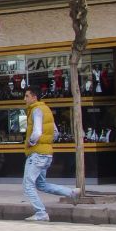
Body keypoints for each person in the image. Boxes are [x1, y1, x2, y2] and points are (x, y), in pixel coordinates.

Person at [22, 88, 82, 222]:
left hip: (36, 154)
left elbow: (37, 132)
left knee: (28, 184)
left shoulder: (36, 110)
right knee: (41, 184)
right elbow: (55, 133)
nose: (24, 99)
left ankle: (40, 213)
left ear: (34, 97)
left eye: (27, 96)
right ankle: (70, 193)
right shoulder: (46, 109)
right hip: (47, 154)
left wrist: (30, 142)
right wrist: (46, 143)